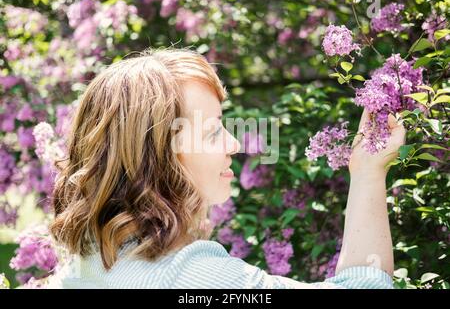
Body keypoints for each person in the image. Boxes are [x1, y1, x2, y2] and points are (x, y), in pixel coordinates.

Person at [47, 47, 405, 288]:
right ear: (158, 156)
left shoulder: (86, 262)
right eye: (213, 130)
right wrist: (369, 174)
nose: (234, 145)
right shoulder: (195, 278)